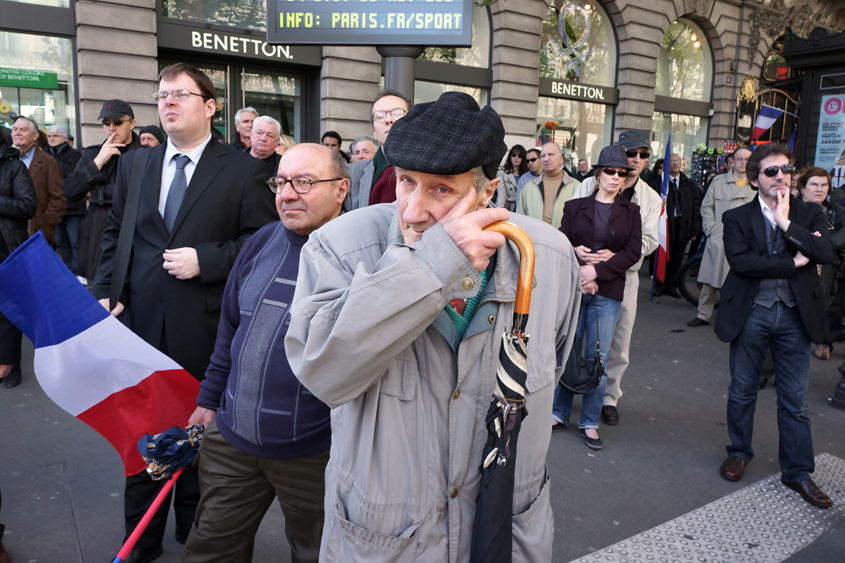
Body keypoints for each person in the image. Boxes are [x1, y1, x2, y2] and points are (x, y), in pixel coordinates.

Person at [285, 92, 580, 562]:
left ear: (488, 192)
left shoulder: (549, 254)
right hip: (390, 540)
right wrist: (434, 264)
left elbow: (556, 359)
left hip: (505, 532)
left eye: (441, 189)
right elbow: (323, 371)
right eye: (406, 182)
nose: (413, 211)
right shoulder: (340, 247)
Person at [92, 63, 278, 563]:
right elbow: (116, 234)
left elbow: (266, 247)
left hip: (207, 327)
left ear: (210, 106)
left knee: (199, 440)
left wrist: (209, 259)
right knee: (142, 441)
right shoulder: (137, 165)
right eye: (161, 96)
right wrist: (107, 289)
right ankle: (141, 543)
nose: (168, 103)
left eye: (180, 94)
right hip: (140, 327)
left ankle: (194, 537)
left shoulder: (245, 170)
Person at [182, 144, 347, 563]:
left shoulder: (359, 260)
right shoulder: (259, 242)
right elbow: (231, 328)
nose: (287, 194)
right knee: (210, 548)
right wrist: (209, 397)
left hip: (316, 451)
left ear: (341, 189)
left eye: (304, 182)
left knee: (318, 553)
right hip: (232, 437)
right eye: (281, 182)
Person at [715, 142, 834, 510]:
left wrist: (785, 223)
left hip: (797, 317)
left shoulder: (809, 213)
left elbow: (826, 253)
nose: (781, 176)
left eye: (786, 169)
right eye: (771, 171)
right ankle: (738, 451)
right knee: (742, 390)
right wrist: (794, 262)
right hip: (752, 312)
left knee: (795, 401)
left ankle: (797, 471)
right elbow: (742, 262)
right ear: (755, 180)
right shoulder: (737, 218)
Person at [552, 145, 642, 450]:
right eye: (610, 171)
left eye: (621, 173)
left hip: (608, 290)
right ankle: (559, 411)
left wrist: (598, 272)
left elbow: (633, 252)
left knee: (598, 356)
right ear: (598, 173)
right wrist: (575, 256)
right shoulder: (574, 207)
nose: (616, 177)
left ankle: (589, 420)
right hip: (576, 286)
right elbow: (561, 240)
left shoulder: (631, 212)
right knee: (568, 349)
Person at [570, 130, 661, 426]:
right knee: (573, 336)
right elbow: (571, 225)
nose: (636, 160)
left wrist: (614, 257)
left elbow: (647, 241)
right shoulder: (586, 185)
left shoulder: (650, 198)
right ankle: (567, 392)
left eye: (643, 155)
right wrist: (588, 262)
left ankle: (608, 398)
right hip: (581, 274)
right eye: (630, 153)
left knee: (617, 344)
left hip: (624, 276)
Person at [64, 99, 141, 283]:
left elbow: (137, 194)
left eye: (117, 122)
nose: (111, 128)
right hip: (95, 244)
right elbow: (69, 191)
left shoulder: (145, 154)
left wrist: (95, 194)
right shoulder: (93, 154)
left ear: (132, 124)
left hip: (132, 243)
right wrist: (99, 161)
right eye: (106, 123)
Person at [688, 147, 756, 327]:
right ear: (732, 161)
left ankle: (733, 319)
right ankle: (703, 315)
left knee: (739, 282)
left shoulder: (758, 184)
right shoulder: (718, 182)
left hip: (745, 241)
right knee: (709, 282)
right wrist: (711, 229)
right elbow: (706, 207)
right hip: (719, 237)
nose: (743, 163)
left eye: (747, 159)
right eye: (739, 159)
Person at [795, 167, 845, 361]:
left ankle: (823, 342)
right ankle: (765, 370)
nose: (820, 189)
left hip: (825, 269)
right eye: (814, 184)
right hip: (793, 267)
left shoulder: (835, 211)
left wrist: (827, 245)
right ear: (802, 187)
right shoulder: (789, 208)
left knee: (822, 309)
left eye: (824, 185)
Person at [0, 130, 36, 390]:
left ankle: (11, 364)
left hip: (6, 247)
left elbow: (27, 206)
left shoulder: (14, 167)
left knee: (8, 312)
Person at [344, 89, 410, 210]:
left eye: (397, 113)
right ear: (374, 133)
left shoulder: (431, 169)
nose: (388, 120)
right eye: (380, 116)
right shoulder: (352, 173)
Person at [648, 153, 702, 298]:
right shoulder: (657, 184)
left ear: (682, 163)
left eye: (677, 161)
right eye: (671, 161)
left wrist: (695, 229)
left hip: (683, 225)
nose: (674, 164)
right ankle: (659, 286)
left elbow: (695, 208)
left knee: (677, 259)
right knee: (662, 256)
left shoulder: (688, 184)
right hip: (664, 225)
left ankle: (672, 286)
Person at [11, 116, 65, 247]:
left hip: (37, 230)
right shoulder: (8, 160)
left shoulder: (48, 161)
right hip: (11, 230)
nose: (17, 133)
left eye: (23, 130)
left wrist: (45, 223)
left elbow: (58, 198)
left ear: (35, 135)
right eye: (14, 129)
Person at [45, 125, 84, 275]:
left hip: (73, 206)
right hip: (54, 206)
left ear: (64, 138)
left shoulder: (73, 154)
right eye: (49, 136)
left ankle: (79, 272)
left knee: (75, 241)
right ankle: (67, 271)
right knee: (61, 242)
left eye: (55, 135)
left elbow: (71, 173)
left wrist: (50, 164)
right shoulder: (46, 153)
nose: (52, 139)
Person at [516, 142, 581, 228]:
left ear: (561, 159)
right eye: (543, 156)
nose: (546, 159)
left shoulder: (576, 187)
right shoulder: (529, 187)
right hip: (534, 239)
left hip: (564, 240)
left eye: (550, 154)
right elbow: (520, 220)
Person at [249, 115, 282, 182]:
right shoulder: (236, 161)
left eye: (269, 135)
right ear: (251, 135)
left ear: (277, 141)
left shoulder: (284, 164)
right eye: (259, 133)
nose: (263, 139)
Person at [495, 145, 527, 211]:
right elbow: (501, 193)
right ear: (510, 157)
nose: (516, 157)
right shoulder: (502, 173)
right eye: (514, 155)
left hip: (523, 210)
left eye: (519, 156)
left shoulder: (527, 175)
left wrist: (514, 199)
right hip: (508, 209)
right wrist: (499, 210)